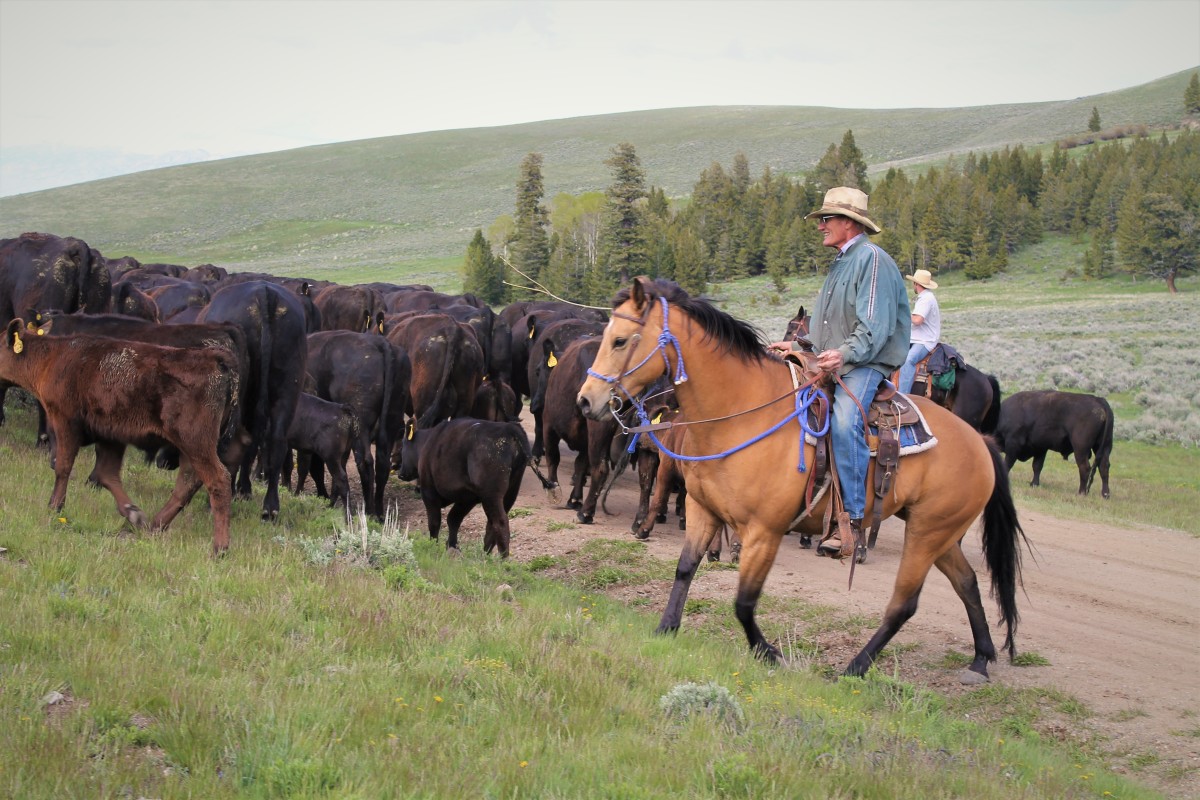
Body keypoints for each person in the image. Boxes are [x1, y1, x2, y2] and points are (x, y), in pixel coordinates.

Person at [769, 187, 909, 558]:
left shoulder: (872, 260)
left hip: (865, 363)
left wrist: (844, 354)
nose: (821, 227)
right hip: (836, 358)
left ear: (848, 223)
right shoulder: (842, 262)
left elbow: (874, 327)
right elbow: (831, 323)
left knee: (846, 420)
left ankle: (852, 522)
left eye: (826, 220)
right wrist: (801, 347)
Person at [897, 269, 941, 394]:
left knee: (908, 361)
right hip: (917, 338)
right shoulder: (925, 297)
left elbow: (917, 320)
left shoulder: (926, 299)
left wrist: (902, 313)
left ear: (916, 284)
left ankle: (903, 395)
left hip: (925, 340)